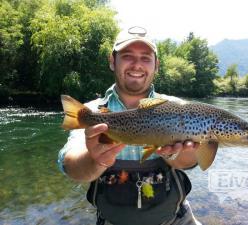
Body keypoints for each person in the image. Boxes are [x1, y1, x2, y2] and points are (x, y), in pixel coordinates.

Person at [58, 26, 203, 225]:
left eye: (145, 58)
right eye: (127, 56)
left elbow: (189, 163)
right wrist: (95, 160)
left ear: (156, 65)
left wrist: (176, 154)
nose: (137, 65)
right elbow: (70, 165)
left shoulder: (179, 108)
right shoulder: (90, 112)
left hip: (176, 220)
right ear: (112, 61)